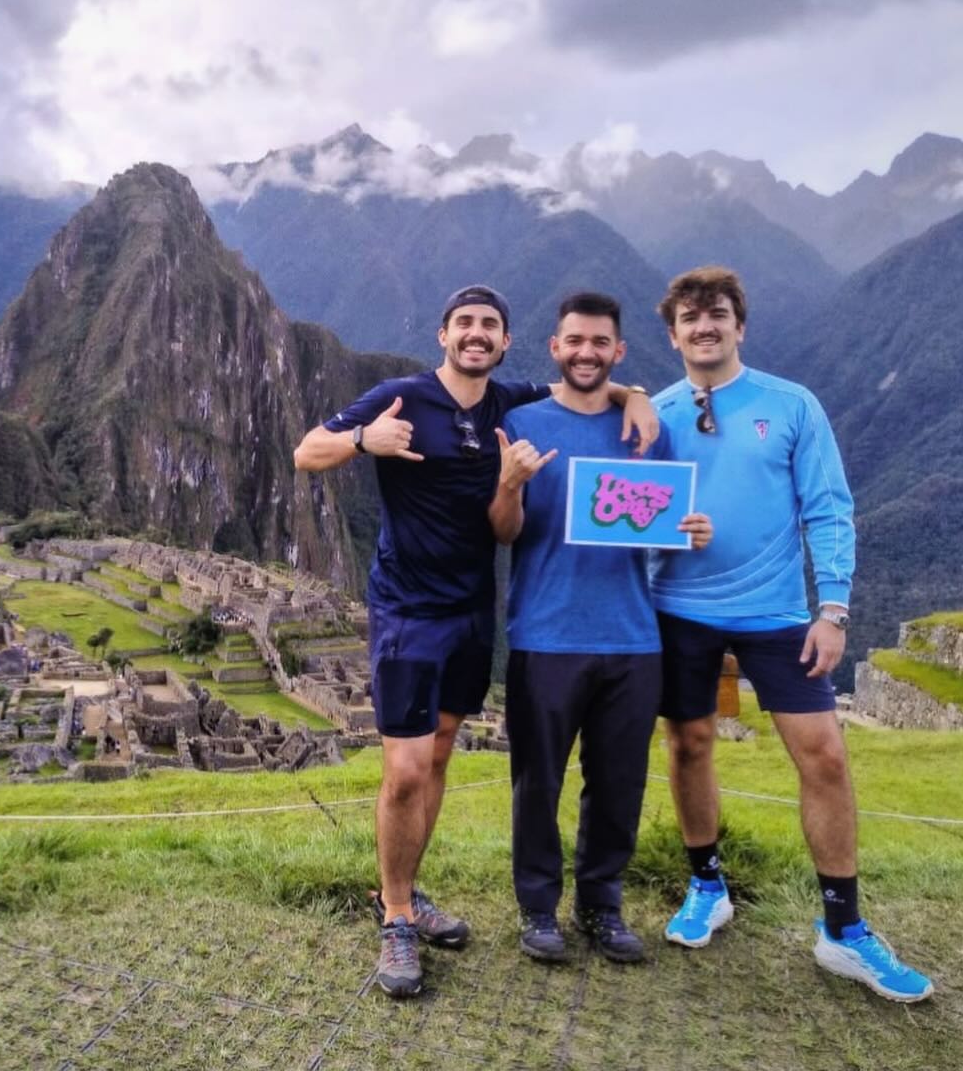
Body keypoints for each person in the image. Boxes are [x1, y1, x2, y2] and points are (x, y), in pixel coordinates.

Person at [293, 284, 656, 999]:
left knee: (436, 759)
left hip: (471, 613)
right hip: (406, 611)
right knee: (403, 770)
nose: (476, 335)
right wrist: (366, 440)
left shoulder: (506, 402)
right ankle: (395, 914)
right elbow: (307, 451)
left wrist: (634, 393)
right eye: (464, 324)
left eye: (489, 325)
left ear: (505, 341)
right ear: (443, 335)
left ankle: (409, 893)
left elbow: (582, 379)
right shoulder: (401, 396)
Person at [651, 265, 933, 1003]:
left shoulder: (791, 405)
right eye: (689, 317)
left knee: (825, 757)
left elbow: (828, 508)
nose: (704, 326)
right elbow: (631, 514)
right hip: (678, 610)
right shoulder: (656, 413)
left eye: (717, 314)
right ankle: (706, 884)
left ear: (739, 325)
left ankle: (844, 928)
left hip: (777, 614)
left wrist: (832, 609)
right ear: (673, 333)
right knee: (688, 743)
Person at [489, 292, 711, 966]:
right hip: (545, 634)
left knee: (619, 783)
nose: (586, 352)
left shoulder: (646, 430)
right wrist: (507, 485)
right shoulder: (521, 423)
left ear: (618, 353)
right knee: (538, 782)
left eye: (600, 343)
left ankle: (601, 904)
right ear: (554, 348)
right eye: (573, 341)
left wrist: (690, 532)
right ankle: (537, 908)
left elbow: (658, 528)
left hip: (632, 637)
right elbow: (504, 533)